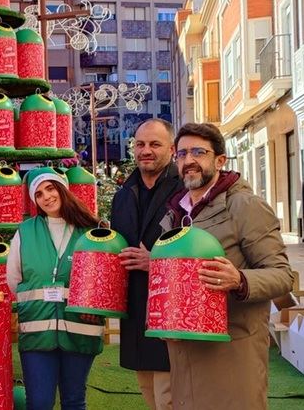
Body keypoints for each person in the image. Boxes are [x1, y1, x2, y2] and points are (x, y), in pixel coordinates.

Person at [160, 123, 293, 410]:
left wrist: (240, 279)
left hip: (233, 347)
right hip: (185, 347)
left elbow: (282, 276)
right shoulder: (176, 213)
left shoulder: (245, 206)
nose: (189, 160)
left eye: (199, 152)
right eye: (182, 154)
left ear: (220, 160)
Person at [7, 167, 105, 410]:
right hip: (37, 330)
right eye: (38, 194)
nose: (46, 197)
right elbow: (14, 278)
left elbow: (104, 278)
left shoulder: (92, 230)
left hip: (80, 327)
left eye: (50, 188)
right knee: (39, 403)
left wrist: (97, 307)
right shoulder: (26, 231)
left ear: (62, 189)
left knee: (73, 400)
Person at [111, 118, 181, 410]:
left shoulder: (185, 192)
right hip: (136, 310)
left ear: (172, 149)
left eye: (154, 144)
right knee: (150, 395)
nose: (145, 151)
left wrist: (157, 263)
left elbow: (203, 249)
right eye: (140, 144)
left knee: (170, 398)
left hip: (172, 310)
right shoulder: (123, 195)